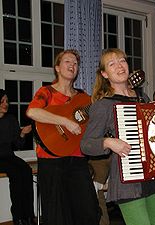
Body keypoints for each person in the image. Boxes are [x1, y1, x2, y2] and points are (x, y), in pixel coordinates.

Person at [80, 48, 155, 225]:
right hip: (128, 181)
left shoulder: (143, 98)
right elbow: (86, 144)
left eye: (122, 61)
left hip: (153, 178)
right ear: (105, 74)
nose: (119, 66)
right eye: (112, 64)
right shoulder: (103, 105)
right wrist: (108, 142)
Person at [26, 49, 100, 225]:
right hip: (51, 160)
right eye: (68, 62)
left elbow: (93, 123)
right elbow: (32, 111)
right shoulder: (47, 92)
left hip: (78, 159)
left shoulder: (84, 98)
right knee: (57, 216)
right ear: (57, 68)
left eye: (75, 63)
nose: (72, 66)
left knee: (89, 211)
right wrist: (65, 122)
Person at [0, 89, 35, 225]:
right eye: (2, 101)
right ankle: (18, 217)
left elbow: (18, 145)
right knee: (15, 174)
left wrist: (22, 134)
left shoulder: (11, 119)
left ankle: (28, 216)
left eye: (7, 101)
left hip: (9, 156)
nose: (5, 104)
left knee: (26, 171)